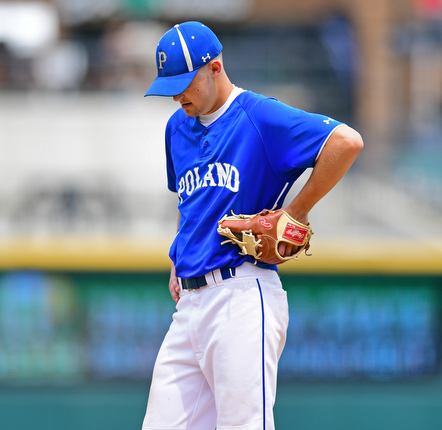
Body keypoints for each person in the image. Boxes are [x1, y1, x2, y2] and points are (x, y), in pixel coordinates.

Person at [142, 21, 363, 430]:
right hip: (190, 303)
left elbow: (346, 142)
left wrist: (296, 211)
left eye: (185, 83)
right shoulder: (177, 127)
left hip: (241, 295)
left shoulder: (259, 116)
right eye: (170, 86)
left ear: (215, 67)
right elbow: (189, 199)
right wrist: (180, 252)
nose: (177, 95)